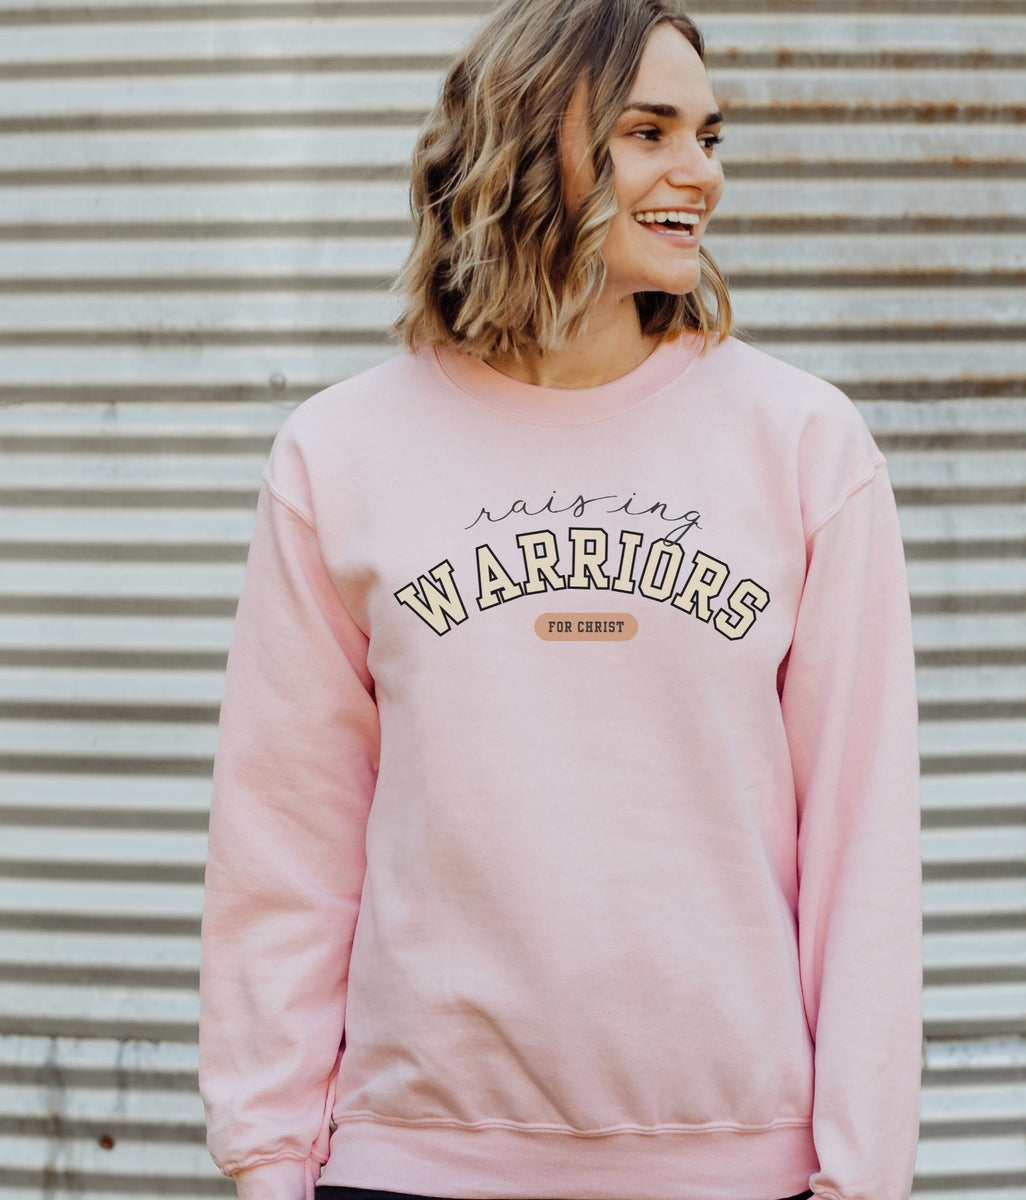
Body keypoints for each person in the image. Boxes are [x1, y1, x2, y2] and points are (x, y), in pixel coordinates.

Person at [198, 0, 924, 1198]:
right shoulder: (342, 453)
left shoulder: (801, 445)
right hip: (417, 1161)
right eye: (649, 132)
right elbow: (285, 840)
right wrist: (270, 1162)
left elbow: (861, 846)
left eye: (710, 134)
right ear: (529, 143)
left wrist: (859, 1172)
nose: (702, 174)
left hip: (734, 1167)